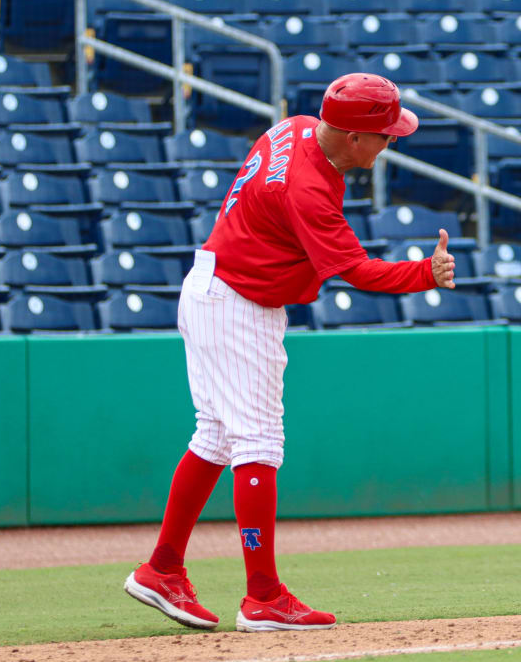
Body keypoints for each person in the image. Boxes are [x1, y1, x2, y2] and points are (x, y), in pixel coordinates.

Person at [124, 73, 457, 632]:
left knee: (215, 436)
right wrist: (424, 272)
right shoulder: (306, 185)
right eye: (384, 133)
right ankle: (263, 598)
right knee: (258, 441)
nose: (391, 141)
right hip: (238, 301)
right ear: (353, 136)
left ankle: (163, 570)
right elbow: (355, 271)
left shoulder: (296, 127)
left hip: (216, 285)